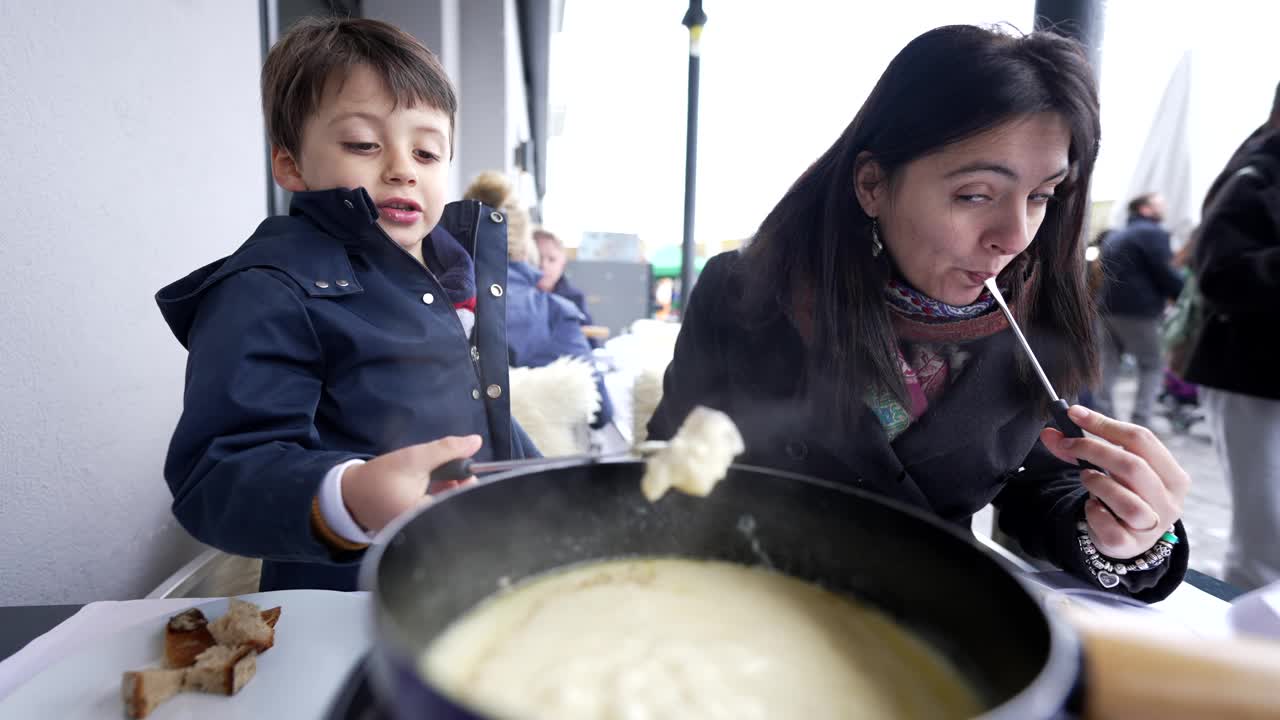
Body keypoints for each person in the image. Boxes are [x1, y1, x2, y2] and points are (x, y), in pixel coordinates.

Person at [648, 25, 1191, 601]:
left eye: (1041, 196)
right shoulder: (747, 296)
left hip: (933, 624)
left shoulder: (1036, 322)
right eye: (976, 194)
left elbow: (1046, 481)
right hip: (753, 605)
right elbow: (670, 465)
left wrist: (1120, 532)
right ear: (873, 185)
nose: (1015, 237)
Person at [155, 18, 537, 593]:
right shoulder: (269, 289)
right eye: (363, 143)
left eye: (428, 152)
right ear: (290, 165)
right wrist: (350, 497)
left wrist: (554, 482)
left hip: (472, 576)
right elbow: (217, 474)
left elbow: (483, 420)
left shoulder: (445, 279)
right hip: (351, 601)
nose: (403, 167)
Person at [1184, 124, 1280, 591]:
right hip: (1253, 377)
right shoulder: (1257, 174)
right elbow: (1218, 272)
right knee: (1268, 544)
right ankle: (1254, 654)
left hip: (1255, 376)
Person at [463, 172, 614, 429]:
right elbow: (601, 413)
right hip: (536, 465)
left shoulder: (430, 301)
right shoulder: (556, 314)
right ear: (525, 246)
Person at [1093, 193, 1185, 426]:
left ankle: (1103, 419)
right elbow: (1165, 272)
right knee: (1152, 365)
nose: (1164, 208)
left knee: (1108, 363)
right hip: (1139, 311)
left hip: (1107, 307)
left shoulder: (1117, 234)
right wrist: (1183, 296)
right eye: (1159, 204)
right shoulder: (1152, 233)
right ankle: (1141, 422)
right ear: (1145, 209)